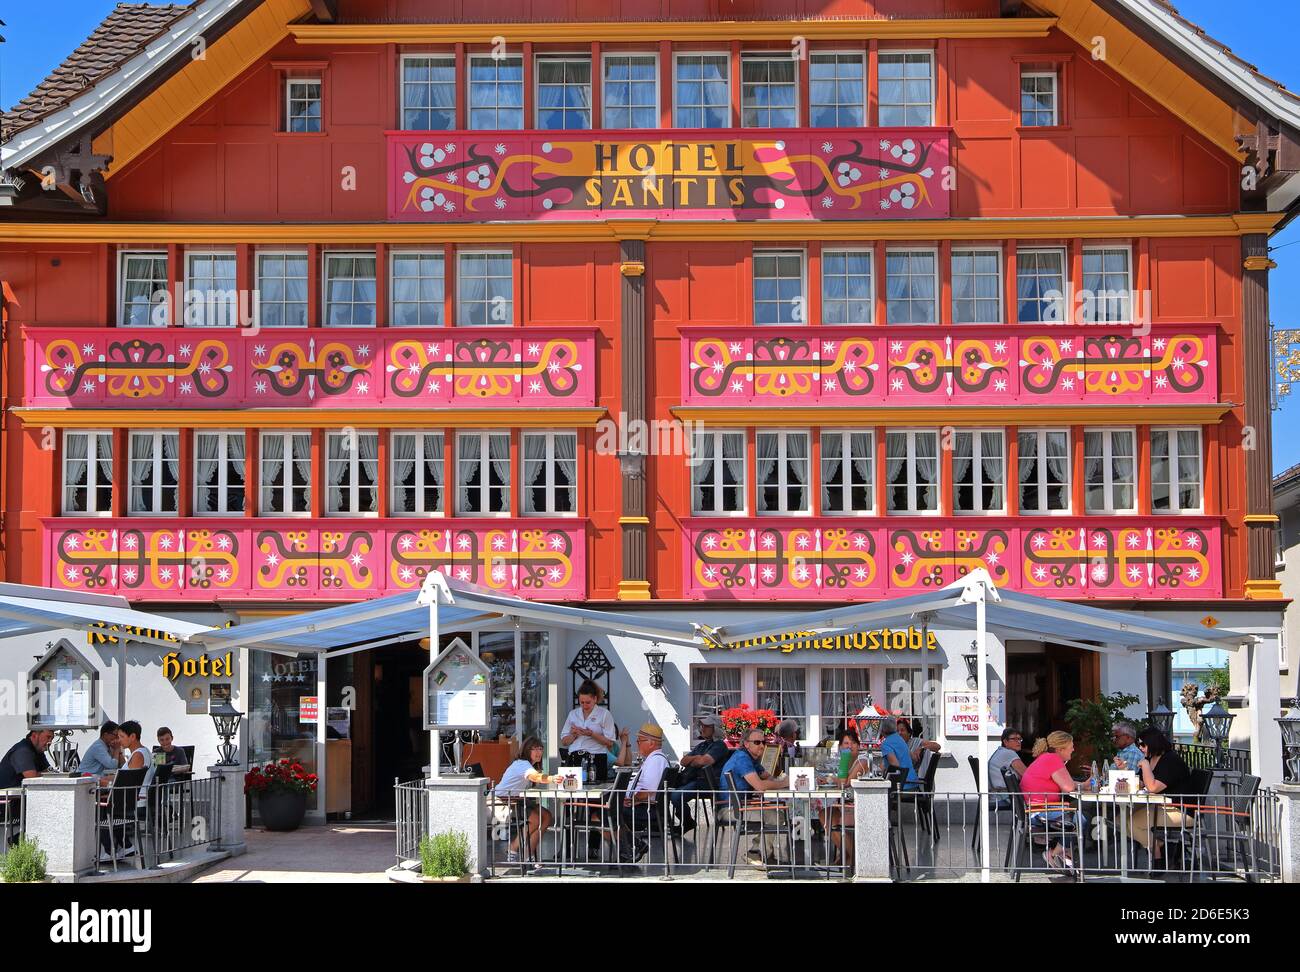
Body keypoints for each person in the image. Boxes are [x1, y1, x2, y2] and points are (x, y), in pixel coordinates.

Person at [1018, 730, 1089, 873]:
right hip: (1040, 812)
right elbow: (1068, 787)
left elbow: (1064, 783)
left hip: (1036, 809)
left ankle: (1064, 855)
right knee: (1079, 820)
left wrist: (1084, 785)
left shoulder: (1046, 757)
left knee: (1076, 816)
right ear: (1060, 749)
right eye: (1071, 746)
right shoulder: (1052, 759)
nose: (1074, 749)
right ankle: (1055, 854)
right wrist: (1083, 784)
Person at [1130, 727, 1194, 867]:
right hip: (1163, 806)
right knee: (1119, 819)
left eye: (1143, 744)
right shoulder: (1151, 758)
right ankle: (1162, 846)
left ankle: (1157, 853)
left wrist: (1145, 766)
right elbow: (1141, 783)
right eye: (1139, 744)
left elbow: (1152, 787)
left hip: (1181, 810)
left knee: (1130, 822)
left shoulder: (1170, 760)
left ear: (1153, 743)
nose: (1140, 748)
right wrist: (1124, 771)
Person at [495, 736, 564, 863]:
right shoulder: (522, 764)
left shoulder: (529, 765)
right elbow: (535, 777)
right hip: (503, 799)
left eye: (540, 749)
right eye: (535, 749)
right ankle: (514, 847)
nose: (538, 752)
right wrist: (552, 778)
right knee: (537, 819)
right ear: (527, 750)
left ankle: (529, 853)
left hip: (517, 798)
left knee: (547, 816)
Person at [618, 724, 672, 861]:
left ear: (651, 743)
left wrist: (633, 801)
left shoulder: (656, 761)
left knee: (604, 814)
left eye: (639, 741)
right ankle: (632, 847)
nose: (637, 744)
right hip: (643, 805)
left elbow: (647, 791)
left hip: (645, 808)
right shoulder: (654, 759)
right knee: (603, 813)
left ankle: (634, 847)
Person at [669, 714, 731, 833]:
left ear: (715, 729)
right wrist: (697, 758)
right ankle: (665, 822)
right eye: (702, 725)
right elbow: (683, 761)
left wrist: (696, 759)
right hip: (694, 780)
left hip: (706, 784)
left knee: (676, 796)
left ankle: (687, 822)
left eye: (706, 726)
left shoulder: (720, 745)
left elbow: (704, 761)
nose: (702, 728)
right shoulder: (702, 745)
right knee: (666, 792)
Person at [560, 680, 616, 766]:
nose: (584, 705)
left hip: (596, 757)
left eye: (588, 702)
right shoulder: (573, 714)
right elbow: (564, 742)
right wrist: (574, 735)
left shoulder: (604, 714)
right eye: (582, 702)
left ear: (595, 699)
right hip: (574, 756)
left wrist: (591, 734)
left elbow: (610, 743)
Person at [878, 717, 919, 790]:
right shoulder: (900, 739)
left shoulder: (886, 744)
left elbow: (895, 765)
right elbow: (912, 757)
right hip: (913, 783)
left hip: (903, 785)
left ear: (882, 730)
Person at [988, 727, 1028, 796]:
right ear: (1005, 742)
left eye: (1019, 739)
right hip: (1003, 796)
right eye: (1014, 739)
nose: (1018, 741)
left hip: (995, 795)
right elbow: (1027, 775)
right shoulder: (1009, 753)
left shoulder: (1000, 751)